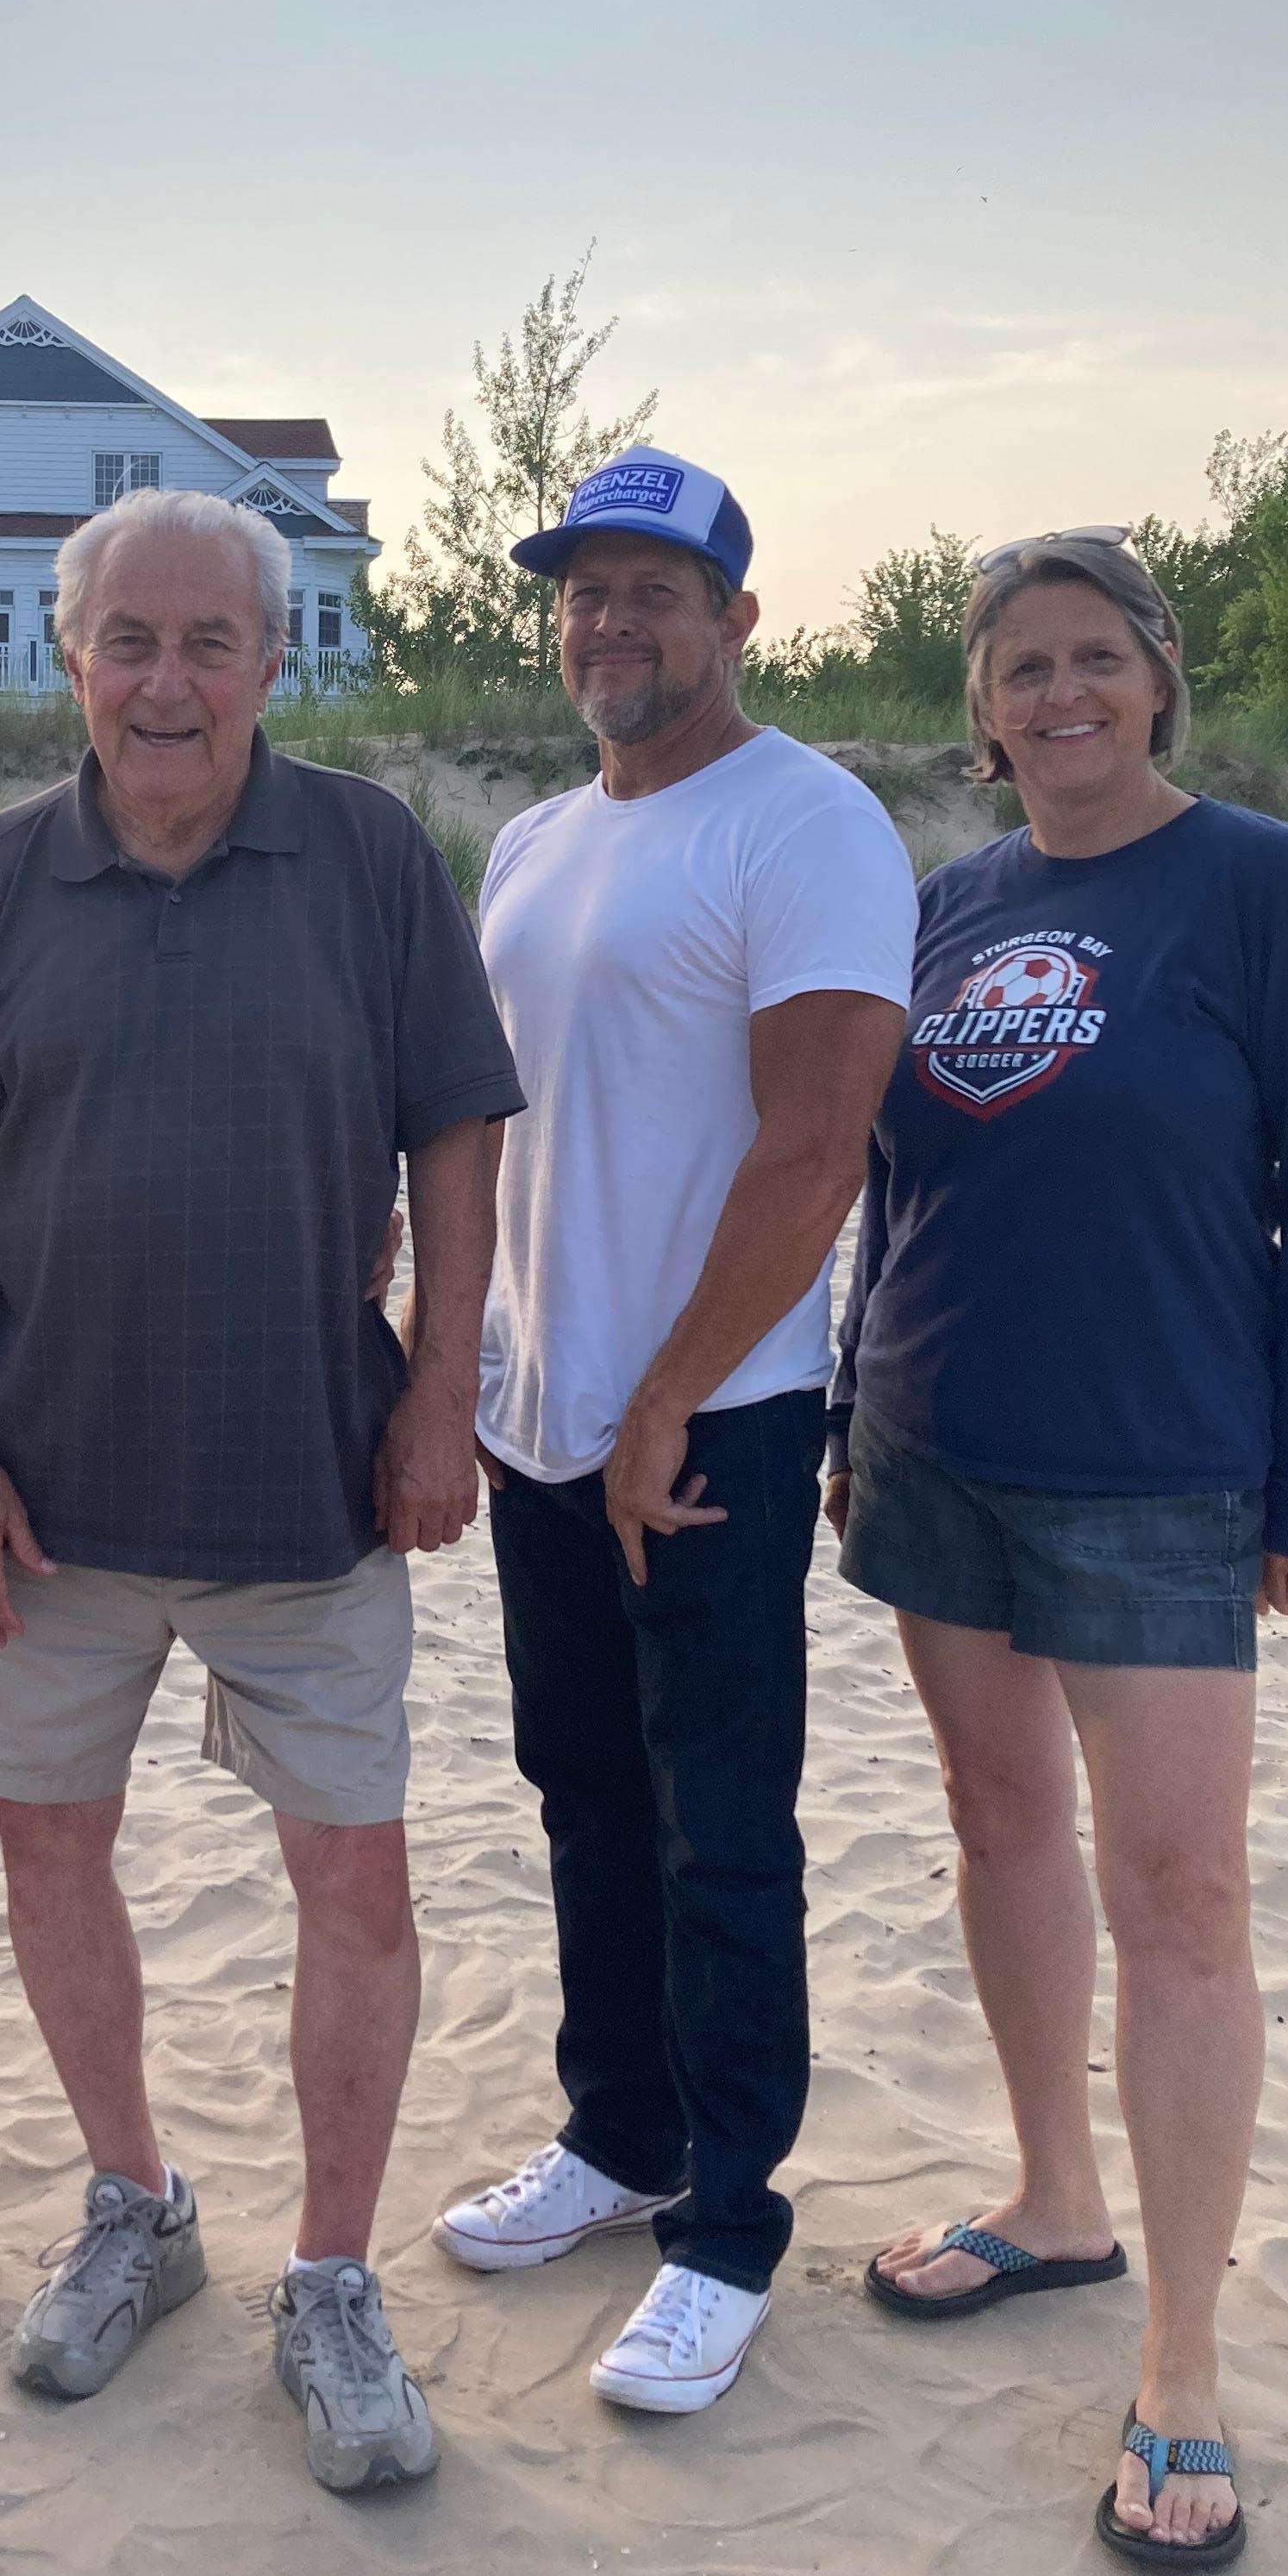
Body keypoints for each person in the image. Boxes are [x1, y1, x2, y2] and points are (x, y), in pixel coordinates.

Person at [0, 482, 523, 2493]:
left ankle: (330, 2275)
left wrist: (439, 1397)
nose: (168, 682)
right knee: (51, 1853)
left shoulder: (370, 856)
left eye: (209, 642)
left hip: (308, 1479)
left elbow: (458, 1136)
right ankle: (134, 2205)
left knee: (357, 1884)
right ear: (72, 659)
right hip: (47, 1498)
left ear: (271, 660)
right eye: (130, 643)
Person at [835, 530, 1288, 2574]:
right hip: (935, 1453)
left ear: (1161, 674)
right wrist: (849, 1408)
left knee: (1185, 1899)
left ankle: (1182, 2362)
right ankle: (1054, 2203)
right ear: (980, 711)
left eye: (1095, 657)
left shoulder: (1271, 887)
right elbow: (886, 1184)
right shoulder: (950, 902)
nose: (1059, 694)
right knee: (1001, 1831)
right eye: (1021, 667)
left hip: (1162, 1466)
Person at [438, 449, 916, 2416]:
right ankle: (620, 2134)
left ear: (736, 619)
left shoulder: (807, 823)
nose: (611, 622)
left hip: (713, 1421)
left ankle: (726, 2224)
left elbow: (816, 1150)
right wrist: (479, 1373)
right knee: (582, 1790)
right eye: (585, 591)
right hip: (540, 1416)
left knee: (722, 1825)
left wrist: (663, 1399)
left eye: (655, 590)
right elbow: (495, 1126)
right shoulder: (535, 842)